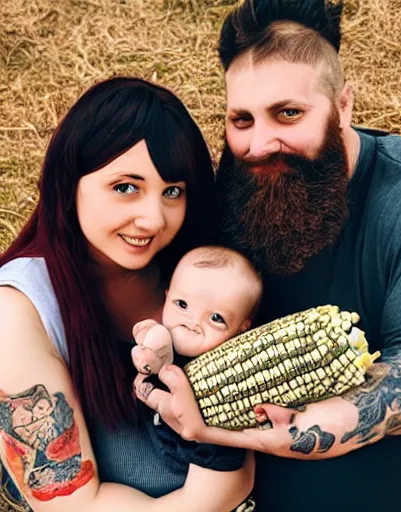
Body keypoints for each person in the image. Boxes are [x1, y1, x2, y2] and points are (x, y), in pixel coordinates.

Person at [133, 1, 401, 511]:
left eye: (288, 113)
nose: (261, 143)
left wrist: (287, 430)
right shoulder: (233, 193)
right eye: (241, 119)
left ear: (344, 104)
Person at [0, 77, 254, 512]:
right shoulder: (18, 311)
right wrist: (217, 488)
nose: (153, 219)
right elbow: (73, 504)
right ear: (70, 181)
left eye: (172, 191)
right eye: (125, 187)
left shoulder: (198, 273)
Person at [131, 246, 260, 502]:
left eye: (215, 318)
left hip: (196, 478)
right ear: (166, 298)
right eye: (182, 304)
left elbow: (227, 458)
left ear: (241, 330)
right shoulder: (158, 343)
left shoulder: (229, 380)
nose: (193, 322)